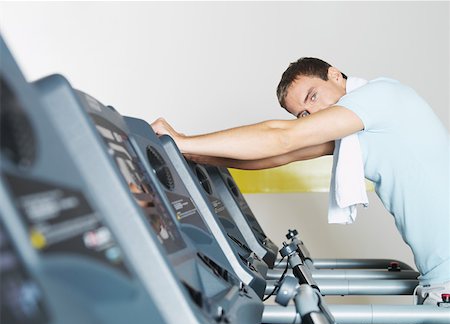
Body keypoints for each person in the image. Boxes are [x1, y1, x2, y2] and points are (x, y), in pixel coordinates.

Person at [151, 57, 450, 305]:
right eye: (303, 114)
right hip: (438, 275)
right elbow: (277, 156)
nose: (312, 114)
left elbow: (282, 138)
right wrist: (192, 153)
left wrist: (183, 141)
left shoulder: (380, 96)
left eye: (313, 96)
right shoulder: (356, 130)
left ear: (334, 75)